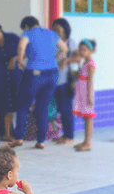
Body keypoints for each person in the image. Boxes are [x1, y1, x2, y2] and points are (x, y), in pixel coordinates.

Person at [9, 16, 68, 149]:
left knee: (23, 105)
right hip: (52, 74)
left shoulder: (28, 33)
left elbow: (21, 45)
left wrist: (20, 60)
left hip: (34, 74)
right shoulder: (51, 33)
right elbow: (64, 49)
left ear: (26, 26)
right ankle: (41, 140)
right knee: (43, 107)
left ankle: (19, 137)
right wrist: (56, 59)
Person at [51, 18, 79, 146]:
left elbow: (77, 58)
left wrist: (66, 60)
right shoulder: (53, 43)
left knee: (66, 109)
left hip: (65, 82)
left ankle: (70, 136)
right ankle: (64, 134)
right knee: (61, 110)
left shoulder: (70, 43)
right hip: (54, 82)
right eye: (54, 29)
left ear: (65, 31)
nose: (56, 32)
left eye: (58, 30)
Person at [73, 39, 97, 152]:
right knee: (85, 117)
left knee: (88, 118)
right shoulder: (84, 63)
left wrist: (89, 96)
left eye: (85, 50)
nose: (82, 52)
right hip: (82, 93)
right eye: (80, 50)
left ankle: (88, 142)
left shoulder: (91, 64)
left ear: (91, 51)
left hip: (87, 93)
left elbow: (90, 81)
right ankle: (85, 140)